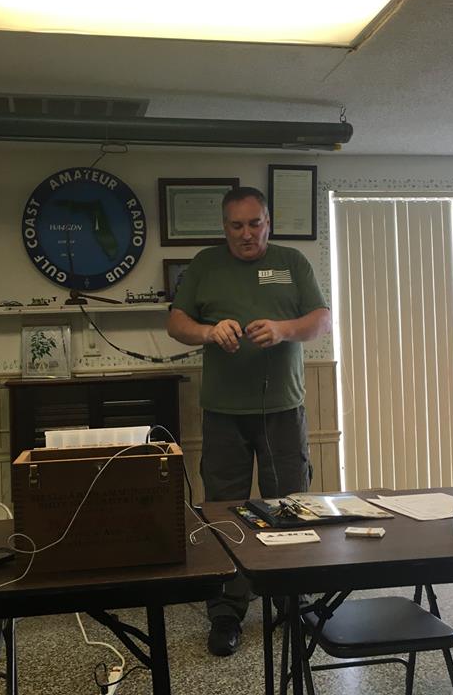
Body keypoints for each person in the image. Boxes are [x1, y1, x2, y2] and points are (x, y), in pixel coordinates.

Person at [167, 186, 330, 656]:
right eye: (236, 226)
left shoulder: (292, 262)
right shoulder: (205, 264)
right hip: (223, 413)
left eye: (254, 223)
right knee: (224, 510)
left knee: (291, 506)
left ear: (268, 222)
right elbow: (176, 323)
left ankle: (293, 599)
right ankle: (227, 609)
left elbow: (322, 321)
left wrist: (282, 329)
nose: (246, 234)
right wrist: (207, 331)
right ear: (224, 227)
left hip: (283, 409)